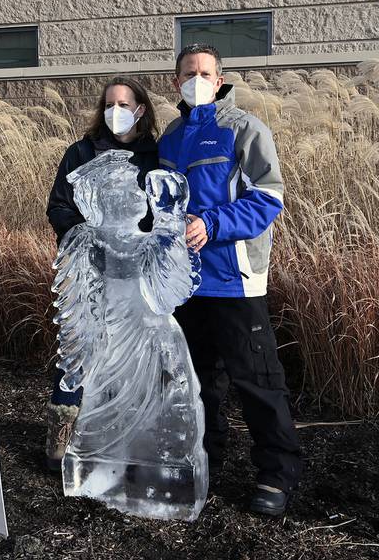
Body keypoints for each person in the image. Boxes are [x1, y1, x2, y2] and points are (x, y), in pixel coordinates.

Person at [159, 43, 303, 516]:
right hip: (186, 284)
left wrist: (212, 224)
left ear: (220, 79)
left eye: (204, 72)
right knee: (198, 383)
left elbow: (268, 198)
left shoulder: (244, 129)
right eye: (187, 72)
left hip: (235, 280)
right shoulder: (171, 136)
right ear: (175, 80)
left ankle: (276, 475)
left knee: (258, 381)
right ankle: (204, 460)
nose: (195, 79)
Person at [44, 76, 159, 472]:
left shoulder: (154, 156)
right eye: (110, 104)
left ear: (140, 109)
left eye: (125, 104)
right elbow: (59, 205)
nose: (116, 112)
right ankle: (64, 426)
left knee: (131, 352)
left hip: (134, 270)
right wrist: (84, 237)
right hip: (89, 268)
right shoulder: (81, 152)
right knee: (79, 345)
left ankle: (120, 431)